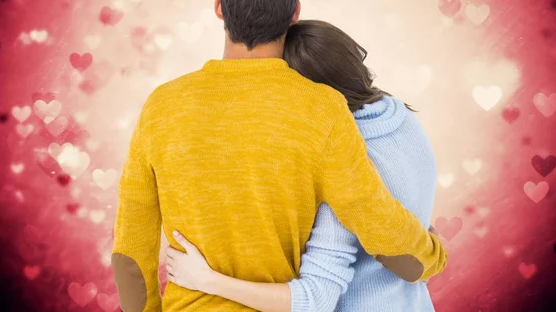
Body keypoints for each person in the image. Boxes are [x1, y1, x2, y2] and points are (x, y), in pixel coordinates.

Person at [111, 0, 447, 312]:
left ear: (219, 7)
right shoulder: (323, 109)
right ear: (294, 13)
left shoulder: (161, 106)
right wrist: (433, 255)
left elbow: (131, 254)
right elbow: (377, 224)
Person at [165, 20, 439, 312]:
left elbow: (313, 300)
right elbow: (415, 225)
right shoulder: (400, 117)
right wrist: (433, 251)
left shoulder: (345, 167)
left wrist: (207, 280)